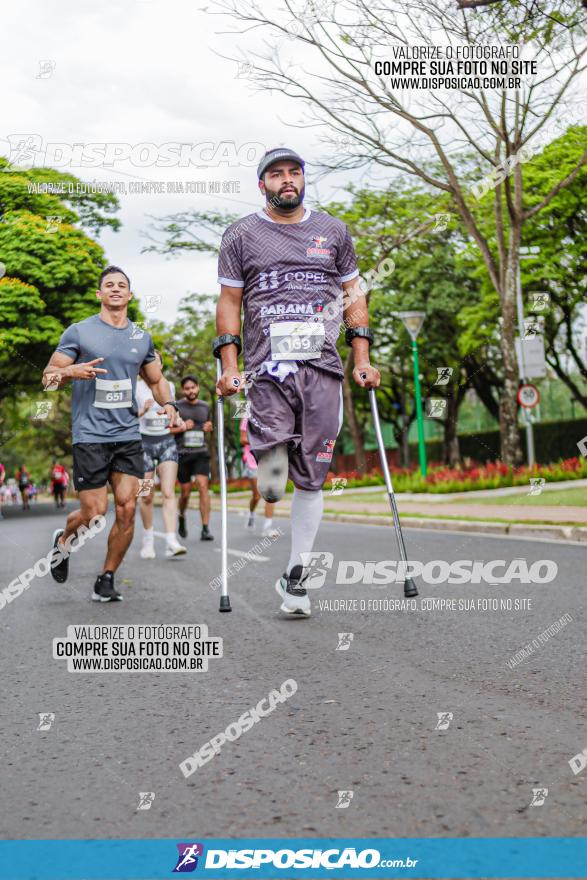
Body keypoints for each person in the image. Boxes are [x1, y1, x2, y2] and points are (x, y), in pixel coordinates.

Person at [215, 147, 380, 618]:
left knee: (313, 478)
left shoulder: (333, 231)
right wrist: (229, 365)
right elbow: (229, 303)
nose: (286, 180)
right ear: (262, 184)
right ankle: (271, 466)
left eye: (294, 172)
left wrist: (361, 357)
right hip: (267, 371)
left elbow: (354, 296)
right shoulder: (241, 235)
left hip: (323, 368)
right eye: (276, 174)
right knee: (271, 485)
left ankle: (296, 575)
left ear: (303, 179)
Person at [42, 265, 181, 602]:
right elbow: (47, 377)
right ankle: (64, 541)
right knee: (93, 515)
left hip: (127, 434)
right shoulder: (79, 332)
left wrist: (169, 403)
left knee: (127, 508)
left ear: (130, 295)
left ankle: (106, 577)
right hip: (89, 434)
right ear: (99, 294)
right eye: (109, 285)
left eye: (122, 285)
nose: (116, 289)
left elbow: (155, 378)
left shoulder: (141, 337)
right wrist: (71, 371)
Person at [135, 350, 186, 559]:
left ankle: (171, 540)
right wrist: (142, 410)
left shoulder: (169, 386)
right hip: (143, 444)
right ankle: (148, 540)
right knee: (146, 495)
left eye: (156, 361)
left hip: (166, 442)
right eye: (148, 361)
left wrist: (178, 420)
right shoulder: (136, 388)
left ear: (161, 366)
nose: (152, 364)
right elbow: (127, 418)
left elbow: (173, 411)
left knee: (168, 492)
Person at [170, 376, 214, 542]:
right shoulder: (177, 407)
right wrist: (182, 427)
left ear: (198, 388)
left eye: (193, 387)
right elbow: (167, 430)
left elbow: (208, 427)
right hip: (182, 454)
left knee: (203, 486)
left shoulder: (205, 406)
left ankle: (205, 528)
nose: (191, 391)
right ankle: (181, 516)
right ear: (183, 390)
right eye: (187, 388)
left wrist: (210, 428)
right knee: (186, 493)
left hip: (201, 453)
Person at [239, 415, 279, 536]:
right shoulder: (247, 416)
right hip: (253, 461)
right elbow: (242, 439)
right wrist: (260, 440)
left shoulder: (272, 414)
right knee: (256, 496)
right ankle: (251, 514)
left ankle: (267, 527)